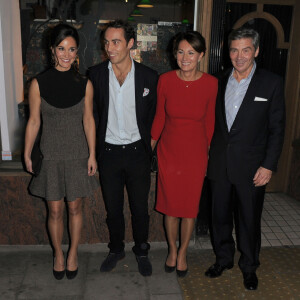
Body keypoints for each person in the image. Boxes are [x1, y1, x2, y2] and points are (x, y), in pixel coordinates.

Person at [205, 27, 285, 290]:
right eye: (234, 50)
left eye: (246, 49)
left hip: (253, 167)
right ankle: (224, 259)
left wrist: (269, 165)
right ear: (229, 52)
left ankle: (249, 267)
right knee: (219, 217)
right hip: (218, 163)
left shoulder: (271, 83)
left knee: (249, 221)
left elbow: (276, 128)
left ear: (257, 51)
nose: (239, 56)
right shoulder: (216, 81)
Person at [24, 23, 99, 280]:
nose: (67, 54)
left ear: (77, 52)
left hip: (78, 154)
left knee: (75, 208)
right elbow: (33, 121)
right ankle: (57, 253)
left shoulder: (85, 84)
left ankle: (73, 253)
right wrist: (26, 153)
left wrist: (92, 154)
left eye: (72, 49)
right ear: (52, 50)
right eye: (61, 48)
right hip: (51, 154)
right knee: (54, 211)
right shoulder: (38, 84)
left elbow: (89, 120)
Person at [89, 20, 158, 277]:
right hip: (108, 153)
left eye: (116, 42)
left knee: (140, 208)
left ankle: (141, 251)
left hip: (137, 152)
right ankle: (116, 249)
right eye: (106, 42)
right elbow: (92, 116)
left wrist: (148, 148)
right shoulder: (95, 75)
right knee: (113, 208)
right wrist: (92, 153)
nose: (110, 47)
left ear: (130, 43)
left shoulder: (149, 77)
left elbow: (154, 118)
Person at [151, 31, 218, 277]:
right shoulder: (165, 80)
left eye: (191, 52)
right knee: (170, 208)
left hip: (195, 156)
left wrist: (209, 155)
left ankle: (183, 253)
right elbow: (159, 117)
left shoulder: (211, 84)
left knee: (189, 209)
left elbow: (210, 123)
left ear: (200, 55)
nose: (185, 57)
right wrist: (149, 148)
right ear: (174, 54)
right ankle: (171, 249)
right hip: (169, 153)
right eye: (180, 51)